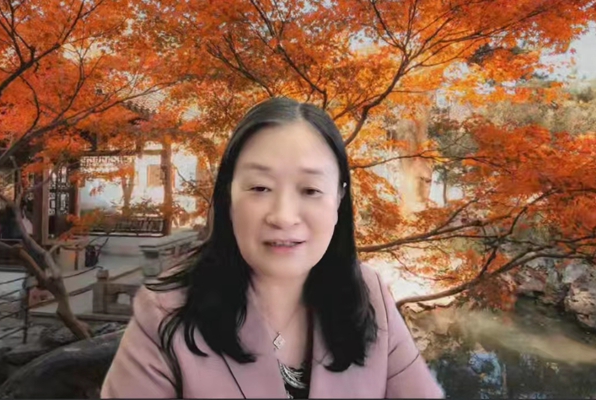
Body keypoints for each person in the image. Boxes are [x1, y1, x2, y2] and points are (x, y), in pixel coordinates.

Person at [101, 97, 444, 399]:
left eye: (310, 190)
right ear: (228, 195)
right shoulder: (165, 314)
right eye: (260, 187)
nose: (283, 216)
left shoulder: (369, 295)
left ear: (339, 198)